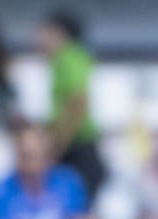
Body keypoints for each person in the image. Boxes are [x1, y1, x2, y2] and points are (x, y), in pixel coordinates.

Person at [35, 10, 105, 199]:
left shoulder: (68, 57)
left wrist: (57, 144)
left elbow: (77, 102)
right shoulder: (68, 59)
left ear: (59, 33)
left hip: (77, 144)